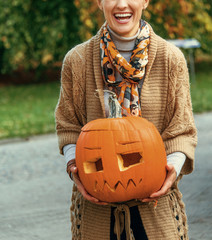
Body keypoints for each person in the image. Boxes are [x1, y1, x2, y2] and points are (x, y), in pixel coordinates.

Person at [55, 0, 197, 239]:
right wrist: (74, 168)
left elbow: (181, 129)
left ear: (145, 1)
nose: (122, 4)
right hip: (96, 207)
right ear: (99, 2)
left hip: (156, 207)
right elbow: (68, 124)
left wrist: (171, 169)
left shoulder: (171, 58)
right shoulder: (76, 60)